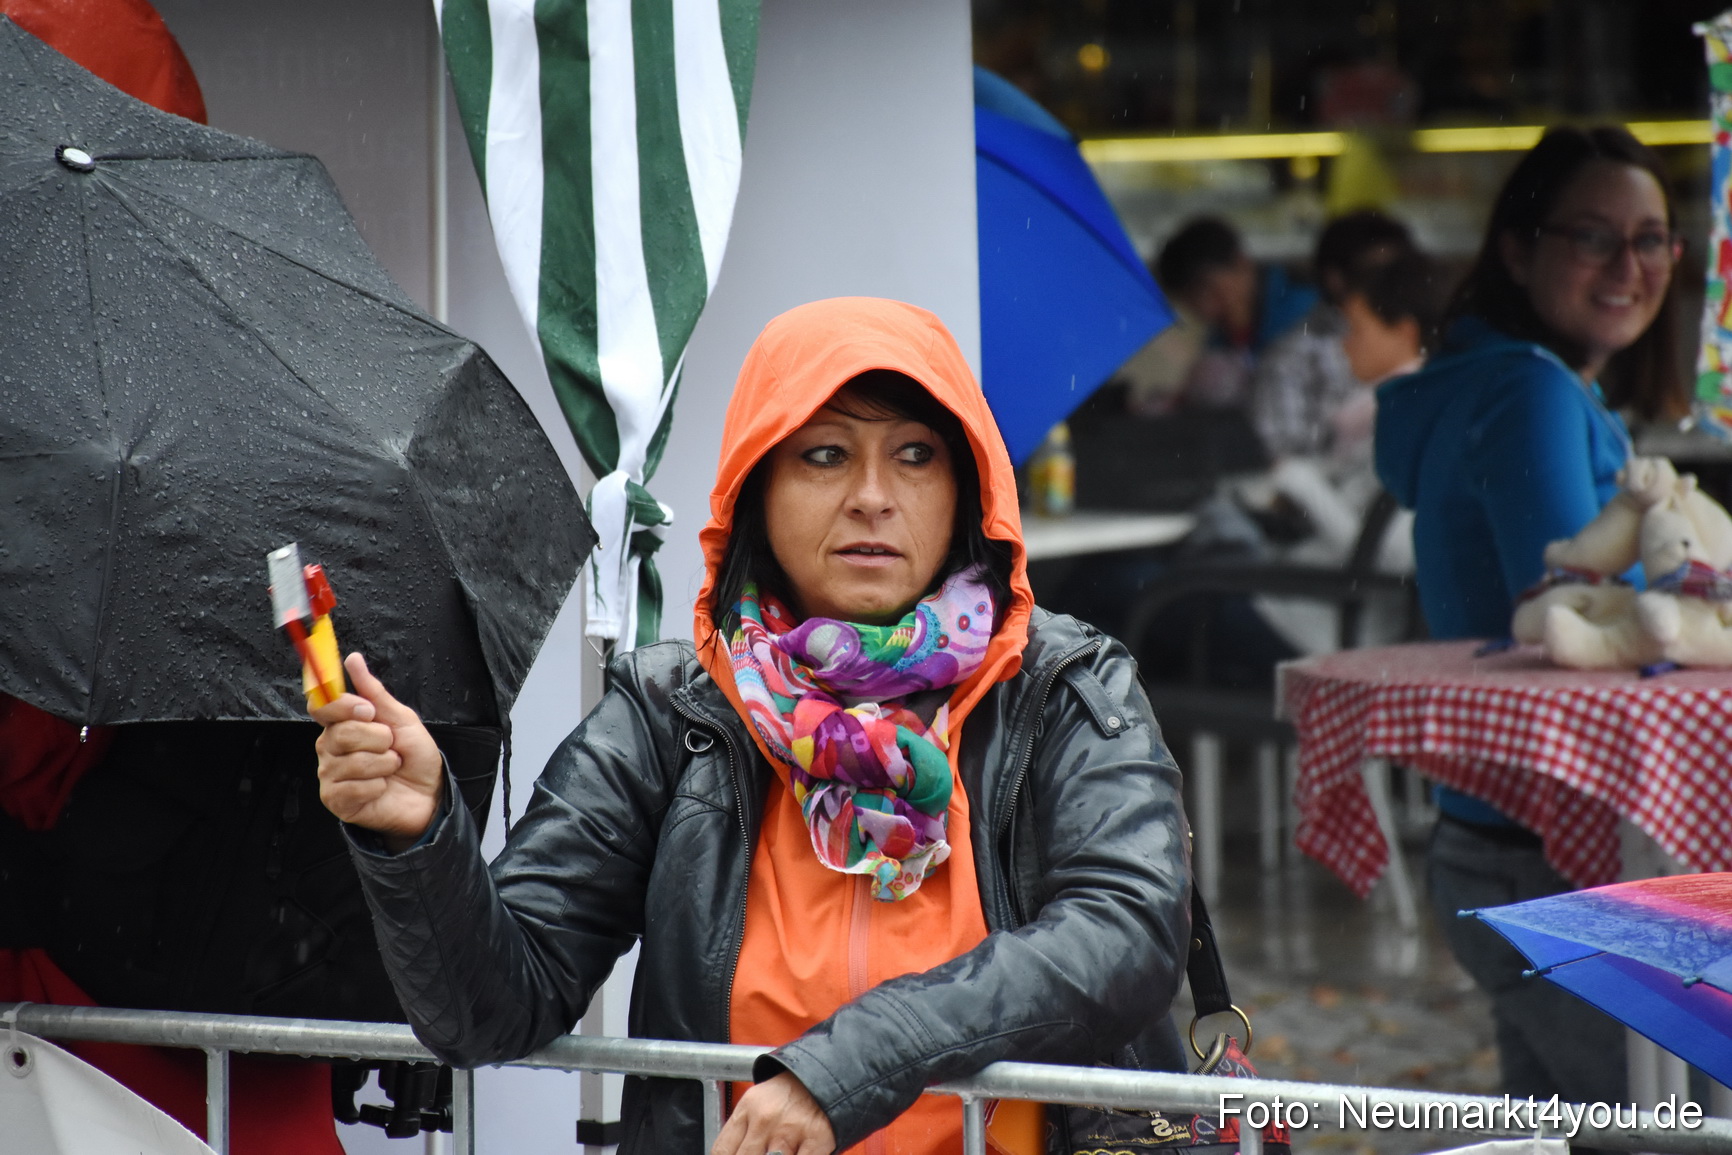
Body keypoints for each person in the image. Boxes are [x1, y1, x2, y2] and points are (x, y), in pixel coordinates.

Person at [310, 297, 1192, 1155]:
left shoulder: (1058, 688)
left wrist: (854, 1062)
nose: (873, 496)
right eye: (825, 454)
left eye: (916, 454)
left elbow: (1126, 929)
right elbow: (495, 1008)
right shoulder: (671, 713)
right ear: (755, 488)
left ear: (967, 488)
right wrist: (421, 837)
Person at [1375, 125, 1687, 1109]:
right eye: (1593, 236)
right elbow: (1577, 618)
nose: (1628, 265)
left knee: (1571, 1131)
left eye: (1650, 238)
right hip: (1552, 863)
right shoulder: (1528, 391)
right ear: (1517, 250)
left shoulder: (1509, 380)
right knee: (1676, 1125)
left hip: (1503, 847)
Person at [1249, 209, 1414, 460]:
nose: (1394, 285)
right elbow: (1284, 462)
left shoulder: (1432, 339)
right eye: (1377, 275)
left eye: (1403, 273)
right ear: (1335, 279)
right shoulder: (1290, 358)